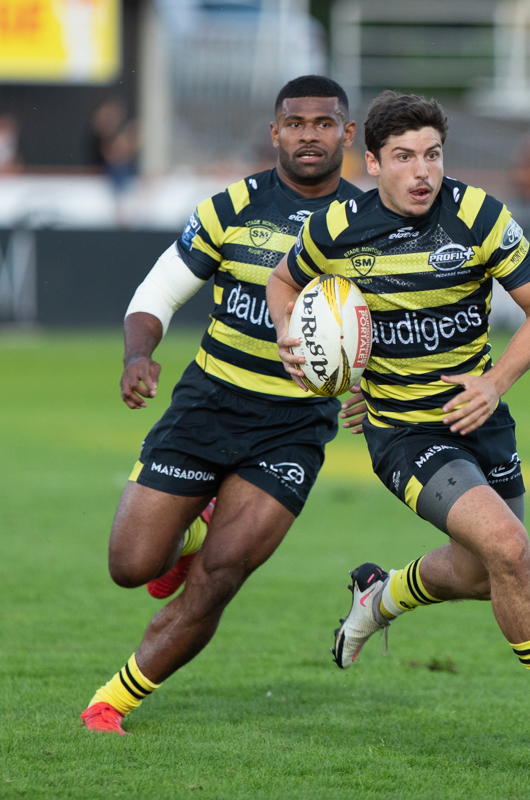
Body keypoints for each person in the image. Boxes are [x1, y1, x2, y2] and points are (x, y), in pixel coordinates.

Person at [264, 92, 530, 763]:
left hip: (482, 420)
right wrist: (299, 343)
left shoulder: (478, 215)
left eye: (432, 155)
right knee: (511, 549)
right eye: (404, 157)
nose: (422, 172)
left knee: (483, 573)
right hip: (405, 435)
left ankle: (380, 596)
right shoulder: (338, 226)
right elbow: (283, 283)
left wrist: (494, 384)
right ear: (372, 162)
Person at [81, 75, 363, 735]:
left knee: (220, 576)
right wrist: (137, 356)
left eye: (324, 123)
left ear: (347, 134)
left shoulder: (372, 224)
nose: (310, 136)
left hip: (294, 428)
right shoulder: (232, 207)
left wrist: (373, 388)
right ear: (275, 132)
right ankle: (193, 529)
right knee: (131, 566)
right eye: (296, 123)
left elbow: (397, 325)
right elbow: (156, 294)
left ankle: (112, 701)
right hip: (207, 407)